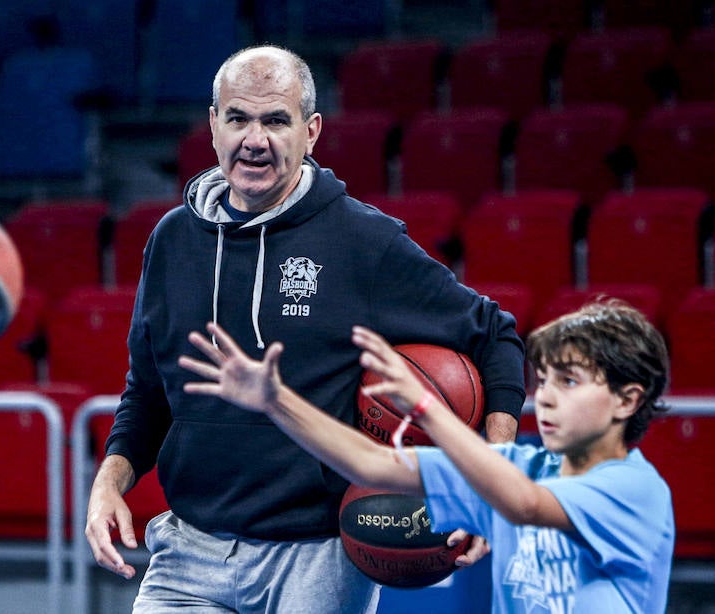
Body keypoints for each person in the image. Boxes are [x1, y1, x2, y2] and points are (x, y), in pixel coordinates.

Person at [85, 44, 526, 613]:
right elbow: (147, 391)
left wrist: (489, 477)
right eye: (238, 118)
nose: (254, 140)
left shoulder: (363, 241)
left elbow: (496, 336)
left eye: (276, 120)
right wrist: (109, 484)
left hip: (318, 557)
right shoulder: (170, 241)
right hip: (188, 549)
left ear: (311, 131)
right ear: (214, 125)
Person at [179, 300, 675, 613]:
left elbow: (524, 504)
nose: (543, 398)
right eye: (542, 382)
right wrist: (276, 400)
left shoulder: (634, 491)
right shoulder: (524, 468)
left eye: (567, 382)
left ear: (627, 400)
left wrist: (427, 412)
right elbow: (371, 466)